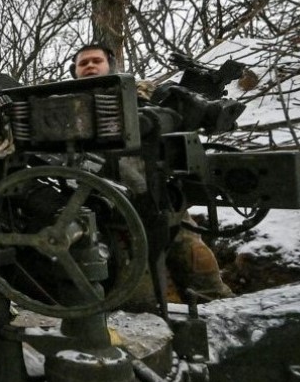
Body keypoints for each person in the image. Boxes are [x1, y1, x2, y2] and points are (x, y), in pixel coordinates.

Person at [70, 43, 233, 304]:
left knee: (202, 272)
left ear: (111, 65)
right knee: (137, 295)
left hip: (165, 199)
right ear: (75, 71)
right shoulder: (64, 107)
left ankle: (225, 316)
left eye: (96, 61)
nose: (89, 66)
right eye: (83, 63)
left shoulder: (141, 92)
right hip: (116, 214)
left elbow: (184, 111)